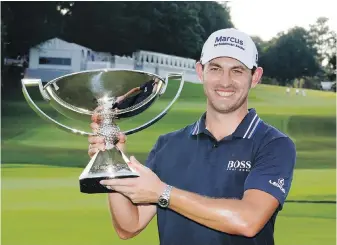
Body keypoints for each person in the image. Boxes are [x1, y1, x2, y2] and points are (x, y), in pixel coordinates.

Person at [88, 28, 296, 245]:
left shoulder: (273, 145)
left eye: (237, 70)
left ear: (255, 77)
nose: (225, 81)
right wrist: (112, 159)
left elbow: (248, 220)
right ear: (200, 71)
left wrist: (163, 193)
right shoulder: (168, 145)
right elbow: (129, 226)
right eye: (215, 68)